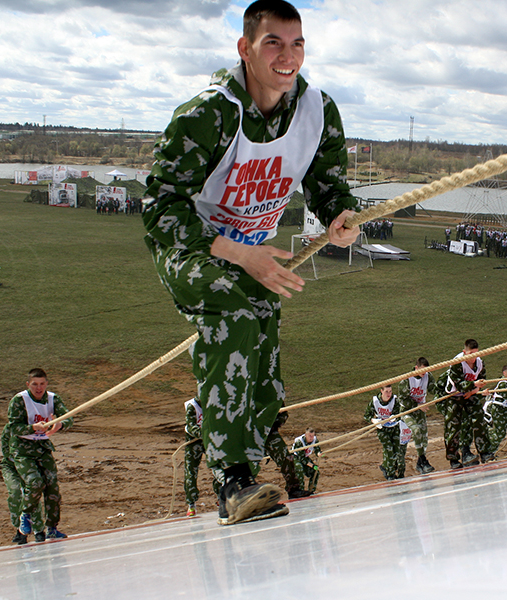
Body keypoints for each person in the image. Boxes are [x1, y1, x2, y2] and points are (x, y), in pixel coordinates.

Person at [142, 0, 359, 526]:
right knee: (235, 314)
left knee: (266, 370)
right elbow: (160, 209)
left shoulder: (316, 110)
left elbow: (327, 185)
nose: (289, 57)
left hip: (254, 255)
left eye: (298, 43)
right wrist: (240, 253)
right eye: (274, 43)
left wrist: (339, 215)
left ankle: (249, 468)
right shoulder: (208, 115)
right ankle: (230, 483)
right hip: (195, 251)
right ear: (245, 48)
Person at [7, 368, 72, 541]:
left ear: (46, 384)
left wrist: (60, 425)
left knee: (52, 487)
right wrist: (32, 428)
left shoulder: (52, 399)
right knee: (35, 482)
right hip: (22, 450)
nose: (39, 388)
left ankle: (52, 527)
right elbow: (13, 427)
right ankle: (25, 516)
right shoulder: (19, 400)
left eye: (42, 384)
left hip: (43, 448)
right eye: (35, 384)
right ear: (28, 384)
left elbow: (69, 417)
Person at [436, 339, 492, 468]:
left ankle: (485, 452)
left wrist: (476, 389)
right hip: (454, 395)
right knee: (453, 426)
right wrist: (473, 385)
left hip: (470, 393)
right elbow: (458, 383)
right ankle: (453, 459)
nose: (474, 357)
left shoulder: (480, 363)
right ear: (464, 352)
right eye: (471, 354)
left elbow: (482, 379)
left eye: (476, 353)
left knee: (479, 418)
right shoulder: (457, 363)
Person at [1, 424, 44, 544]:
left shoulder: (35, 428)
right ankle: (19, 529)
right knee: (15, 491)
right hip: (11, 465)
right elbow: (5, 449)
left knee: (31, 493)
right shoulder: (10, 428)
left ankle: (38, 530)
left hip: (28, 463)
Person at [396, 357, 437, 474]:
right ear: (416, 368)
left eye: (426, 370)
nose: (424, 373)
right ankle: (423, 460)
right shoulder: (405, 380)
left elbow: (433, 389)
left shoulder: (428, 376)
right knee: (416, 430)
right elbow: (403, 400)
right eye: (422, 370)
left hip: (420, 412)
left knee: (424, 438)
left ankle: (420, 463)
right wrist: (419, 405)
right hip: (407, 411)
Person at [182, 397, 222, 517]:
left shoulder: (212, 404)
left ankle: (221, 497)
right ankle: (191, 504)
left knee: (218, 466)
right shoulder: (192, 406)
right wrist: (203, 433)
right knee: (191, 471)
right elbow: (190, 426)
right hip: (193, 443)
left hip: (208, 441)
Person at [364, 385, 409, 480]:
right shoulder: (375, 401)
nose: (389, 394)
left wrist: (394, 417)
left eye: (390, 391)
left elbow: (400, 414)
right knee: (389, 450)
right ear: (381, 391)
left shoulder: (395, 401)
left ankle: (386, 466)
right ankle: (390, 474)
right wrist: (373, 420)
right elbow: (366, 415)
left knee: (396, 451)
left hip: (394, 429)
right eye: (386, 391)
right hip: (383, 430)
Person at [291, 427, 321, 494]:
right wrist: (312, 465)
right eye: (309, 436)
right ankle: (300, 490)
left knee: (315, 472)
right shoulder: (299, 442)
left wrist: (319, 453)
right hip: (295, 457)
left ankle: (311, 490)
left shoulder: (315, 440)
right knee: (299, 469)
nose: (311, 438)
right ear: (305, 435)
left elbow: (317, 449)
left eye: (313, 436)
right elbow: (302, 459)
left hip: (305, 456)